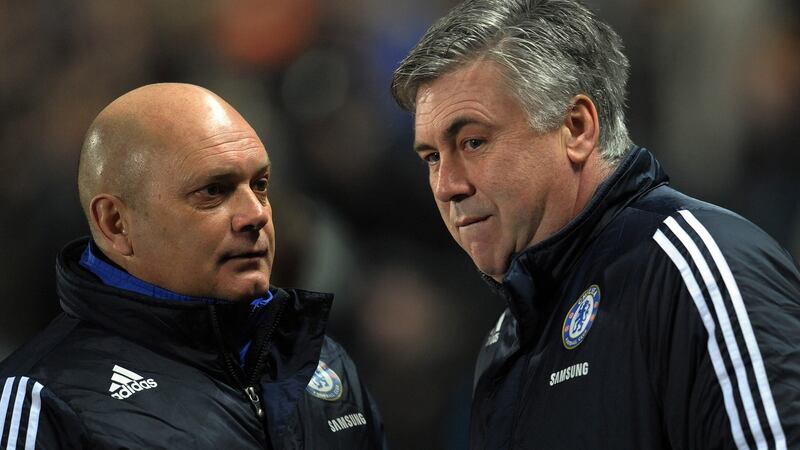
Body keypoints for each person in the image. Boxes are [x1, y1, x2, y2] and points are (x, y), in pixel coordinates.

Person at [391, 0, 800, 448]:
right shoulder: (505, 343)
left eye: (472, 142)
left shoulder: (695, 271)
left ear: (577, 127)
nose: (447, 185)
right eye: (431, 157)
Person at [0, 83, 387, 449]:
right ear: (116, 223)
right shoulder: (43, 400)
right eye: (213, 191)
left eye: (261, 185)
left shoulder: (322, 362)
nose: (255, 215)